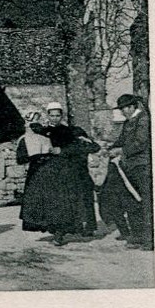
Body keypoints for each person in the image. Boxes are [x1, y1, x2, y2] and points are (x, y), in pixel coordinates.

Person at [18, 101, 100, 246]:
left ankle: (60, 233)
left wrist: (62, 151)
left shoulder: (69, 131)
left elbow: (85, 147)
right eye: (52, 115)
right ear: (48, 115)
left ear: (62, 116)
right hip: (48, 173)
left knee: (62, 204)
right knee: (48, 203)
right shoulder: (42, 131)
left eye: (57, 115)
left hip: (65, 173)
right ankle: (53, 229)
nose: (55, 118)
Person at [100, 93, 153, 249]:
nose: (122, 112)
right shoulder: (129, 121)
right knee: (132, 203)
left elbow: (141, 143)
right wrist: (109, 148)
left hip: (141, 166)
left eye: (124, 109)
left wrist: (121, 151)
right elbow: (122, 140)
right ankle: (137, 236)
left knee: (145, 203)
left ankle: (148, 240)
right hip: (129, 167)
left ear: (131, 107)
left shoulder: (143, 120)